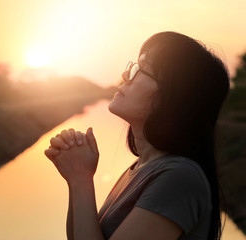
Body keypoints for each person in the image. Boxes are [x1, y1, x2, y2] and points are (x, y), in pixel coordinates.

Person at [44, 31, 230, 240]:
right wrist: (75, 178)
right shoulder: (141, 168)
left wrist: (81, 179)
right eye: (133, 67)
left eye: (142, 70)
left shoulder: (180, 177)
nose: (126, 76)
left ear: (174, 98)